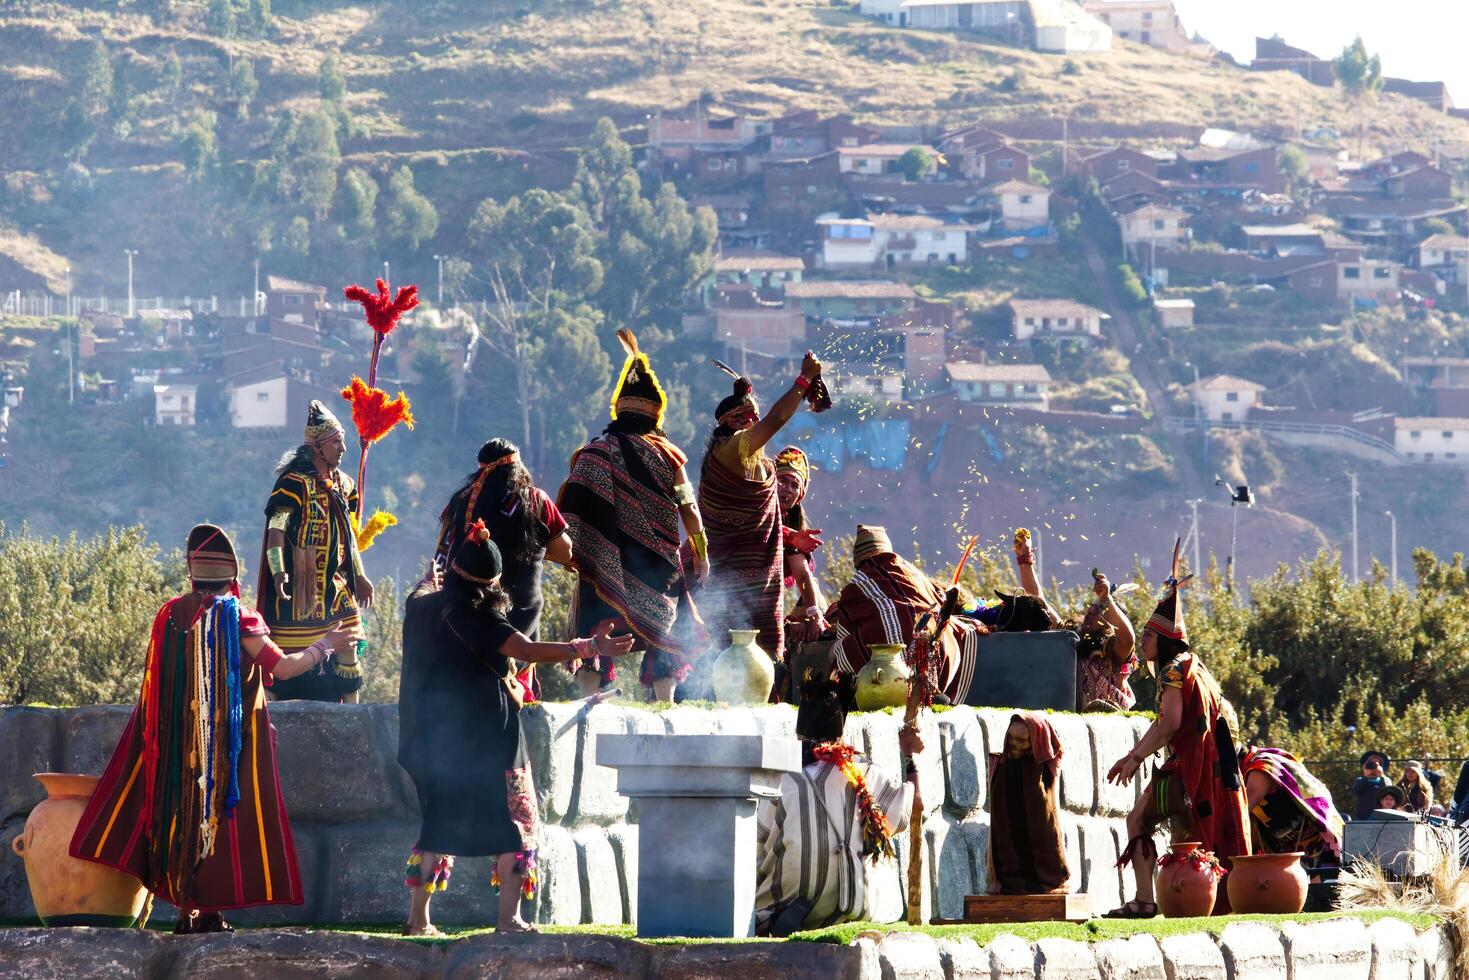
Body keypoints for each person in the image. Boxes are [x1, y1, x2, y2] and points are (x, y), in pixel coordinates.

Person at [71, 524, 353, 933]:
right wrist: (325, 644)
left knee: (180, 814)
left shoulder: (170, 615)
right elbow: (286, 668)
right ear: (232, 577)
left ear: (192, 574)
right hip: (223, 741)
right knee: (218, 818)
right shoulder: (238, 617)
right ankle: (210, 911)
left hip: (173, 743)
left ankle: (189, 910)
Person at [398, 519, 635, 936]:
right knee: (515, 825)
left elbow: (420, 591)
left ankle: (419, 920)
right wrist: (589, 646)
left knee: (437, 824)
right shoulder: (481, 618)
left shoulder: (425, 605)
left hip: (441, 739)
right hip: (492, 734)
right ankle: (509, 920)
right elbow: (526, 650)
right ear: (493, 582)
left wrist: (428, 580)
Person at [558, 330, 708, 702]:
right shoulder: (671, 457)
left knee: (596, 633)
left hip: (601, 567)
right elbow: (689, 508)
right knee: (664, 639)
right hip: (657, 569)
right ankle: (665, 711)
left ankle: (583, 712)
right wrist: (702, 553)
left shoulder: (591, 454)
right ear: (656, 414)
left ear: (618, 410)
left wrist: (576, 553)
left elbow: (571, 512)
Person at [1104, 549, 1250, 918]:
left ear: (1165, 639)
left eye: (1149, 636)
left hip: (1190, 768)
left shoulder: (1173, 670)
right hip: (1207, 768)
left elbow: (1169, 721)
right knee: (1189, 837)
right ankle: (1193, 906)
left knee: (1139, 820)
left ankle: (1145, 900)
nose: (1145, 643)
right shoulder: (1193, 667)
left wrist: (1135, 758)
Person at [753, 671, 923, 935]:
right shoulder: (866, 774)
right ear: (841, 734)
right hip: (861, 911)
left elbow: (752, 844)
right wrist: (911, 757)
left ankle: (768, 921)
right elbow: (914, 809)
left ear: (799, 735)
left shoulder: (780, 781)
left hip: (789, 910)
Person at [698, 352, 824, 675]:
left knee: (762, 670)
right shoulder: (731, 450)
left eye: (752, 417)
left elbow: (760, 522)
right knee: (732, 668)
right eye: (743, 417)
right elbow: (777, 419)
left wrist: (790, 535)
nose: (752, 423)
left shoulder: (758, 463)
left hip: (758, 585)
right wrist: (804, 381)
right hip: (729, 584)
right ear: (726, 423)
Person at [436, 438, 573, 697]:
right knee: (515, 695)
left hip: (467, 614)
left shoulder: (462, 500)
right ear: (517, 468)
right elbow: (566, 551)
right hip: (520, 610)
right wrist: (536, 548)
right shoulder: (536, 500)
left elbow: (444, 547)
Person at [258, 399, 372, 703]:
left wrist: (359, 575)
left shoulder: (344, 485)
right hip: (298, 591)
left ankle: (351, 721)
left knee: (349, 650)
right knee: (283, 663)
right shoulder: (293, 483)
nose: (343, 449)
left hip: (336, 590)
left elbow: (349, 537)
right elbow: (276, 529)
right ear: (318, 447)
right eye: (336, 442)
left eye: (343, 441)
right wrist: (278, 569)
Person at [824, 525, 985, 705]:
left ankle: (907, 689)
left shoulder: (856, 585)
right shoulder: (914, 573)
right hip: (943, 648)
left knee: (837, 652)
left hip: (897, 659)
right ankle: (929, 689)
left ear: (858, 559)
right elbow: (942, 601)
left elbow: (846, 631)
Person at [1009, 531, 1139, 711]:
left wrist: (1107, 599)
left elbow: (1128, 638)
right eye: (1092, 607)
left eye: (1099, 611)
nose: (1090, 612)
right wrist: (1024, 557)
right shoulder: (1069, 635)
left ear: (1110, 625)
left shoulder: (1113, 651)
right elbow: (1037, 601)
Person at [988, 713, 1070, 895]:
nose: (1015, 745)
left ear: (1035, 742)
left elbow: (1055, 749)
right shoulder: (999, 765)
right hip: (1009, 859)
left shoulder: (1048, 766)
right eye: (1011, 739)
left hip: (1043, 848)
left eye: (1022, 741)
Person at [1240, 747, 1346, 878]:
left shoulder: (1261, 766)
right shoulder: (1249, 771)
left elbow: (1242, 808)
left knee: (1323, 893)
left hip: (1321, 842)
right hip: (1291, 852)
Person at [775, 446, 827, 647]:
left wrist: (813, 614)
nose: (787, 489)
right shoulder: (755, 511)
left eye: (794, 485)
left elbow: (803, 575)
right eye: (782, 481)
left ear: (800, 494)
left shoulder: (794, 527)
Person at [1350, 751, 1391, 821]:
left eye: (1376, 765)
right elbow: (1355, 791)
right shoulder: (1360, 780)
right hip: (1362, 817)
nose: (1373, 767)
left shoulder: (1385, 780)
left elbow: (1389, 792)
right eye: (1371, 764)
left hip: (1380, 816)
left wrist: (1382, 775)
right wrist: (1365, 776)